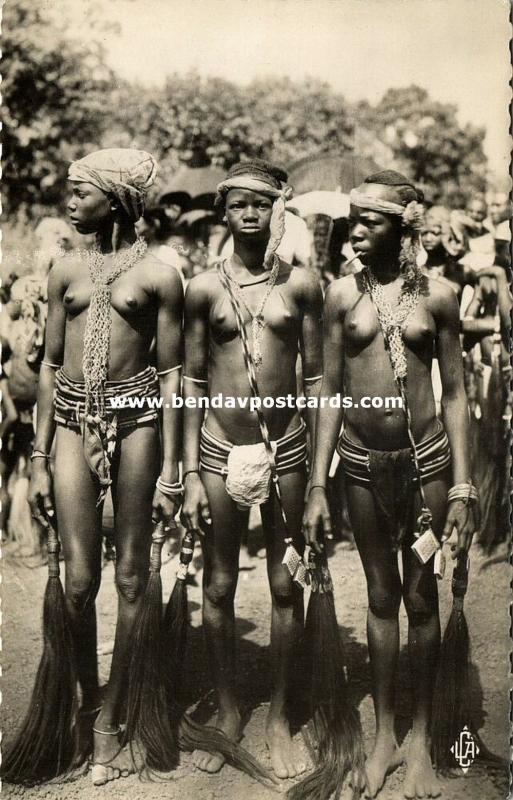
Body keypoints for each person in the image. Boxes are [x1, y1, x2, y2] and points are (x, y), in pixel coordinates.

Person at [303, 170, 479, 799]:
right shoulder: (339, 297)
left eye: (369, 220)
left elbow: (455, 395)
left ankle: (426, 743)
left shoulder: (439, 297)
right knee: (379, 598)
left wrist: (463, 487)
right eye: (352, 219)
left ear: (403, 225)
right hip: (357, 463)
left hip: (426, 462)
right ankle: (384, 740)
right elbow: (325, 387)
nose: (355, 231)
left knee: (422, 599)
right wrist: (318, 486)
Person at [28, 148, 183, 785]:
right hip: (69, 424)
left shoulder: (158, 275)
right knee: (77, 581)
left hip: (138, 424)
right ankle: (81, 704)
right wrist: (38, 459)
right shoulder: (63, 269)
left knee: (130, 578)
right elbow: (46, 365)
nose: (69, 202)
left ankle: (115, 719)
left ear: (114, 200)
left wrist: (174, 467)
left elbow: (173, 373)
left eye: (79, 192)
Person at [181, 159, 323, 779]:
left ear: (277, 211)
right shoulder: (203, 289)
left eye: (259, 205)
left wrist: (321, 477)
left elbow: (317, 380)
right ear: (223, 210)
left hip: (288, 446)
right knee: (216, 583)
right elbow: (188, 381)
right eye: (237, 203)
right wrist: (186, 472)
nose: (248, 214)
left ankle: (280, 715)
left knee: (287, 583)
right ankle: (233, 709)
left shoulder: (302, 285)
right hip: (218, 447)